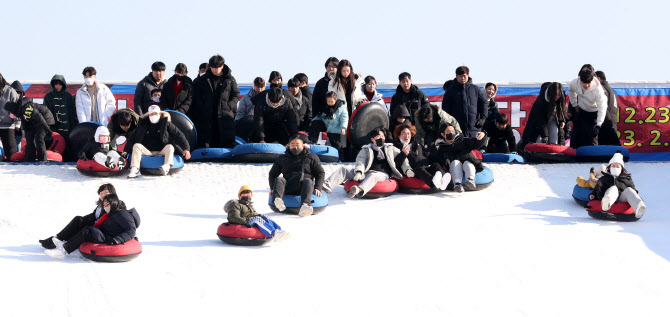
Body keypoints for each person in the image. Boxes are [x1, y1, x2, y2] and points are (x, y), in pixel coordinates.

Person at [321, 128, 411, 198]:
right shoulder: (366, 149)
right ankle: (328, 184)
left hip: (382, 173)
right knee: (344, 169)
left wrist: (407, 170)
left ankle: (358, 189)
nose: (381, 138)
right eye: (378, 137)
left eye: (383, 136)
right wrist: (359, 172)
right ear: (373, 139)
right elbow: (361, 160)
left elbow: (403, 160)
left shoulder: (390, 148)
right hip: (366, 171)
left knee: (373, 176)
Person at [44, 193, 140, 259]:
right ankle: (65, 243)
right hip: (105, 234)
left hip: (110, 238)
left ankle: (63, 251)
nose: (105, 206)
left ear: (114, 203)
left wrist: (118, 239)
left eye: (108, 203)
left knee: (87, 231)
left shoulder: (122, 214)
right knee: (83, 224)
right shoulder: (111, 214)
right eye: (104, 204)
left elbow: (131, 229)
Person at [39, 184, 122, 249]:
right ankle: (58, 238)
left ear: (112, 193)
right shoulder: (100, 205)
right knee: (78, 219)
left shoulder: (115, 204)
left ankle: (58, 240)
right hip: (96, 226)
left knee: (80, 222)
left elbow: (116, 219)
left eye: (106, 193)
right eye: (101, 193)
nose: (103, 195)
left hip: (102, 230)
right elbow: (93, 216)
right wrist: (81, 220)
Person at [123, 105, 191, 178]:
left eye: (156, 114)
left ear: (159, 114)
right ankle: (135, 169)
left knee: (170, 147)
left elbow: (179, 135)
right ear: (149, 115)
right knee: (136, 145)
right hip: (147, 152)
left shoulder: (166, 123)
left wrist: (186, 149)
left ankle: (167, 166)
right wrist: (126, 150)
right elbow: (133, 138)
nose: (154, 116)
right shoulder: (142, 124)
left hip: (162, 151)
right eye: (152, 114)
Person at [268, 134, 325, 217]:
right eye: (292, 144)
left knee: (308, 181)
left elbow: (320, 173)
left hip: (304, 187)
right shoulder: (283, 158)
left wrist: (318, 187)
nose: (295, 147)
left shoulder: (311, 157)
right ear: (289, 146)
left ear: (303, 145)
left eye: (297, 144)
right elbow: (272, 174)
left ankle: (305, 205)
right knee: (279, 179)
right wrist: (273, 189)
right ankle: (277, 200)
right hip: (288, 186)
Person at [191, 54, 239, 148]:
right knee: (207, 139)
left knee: (226, 139)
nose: (214, 70)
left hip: (224, 114)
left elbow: (236, 94)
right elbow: (196, 95)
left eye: (216, 68)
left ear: (222, 66)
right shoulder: (203, 79)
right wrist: (202, 107)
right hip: (207, 114)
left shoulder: (230, 79)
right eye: (212, 67)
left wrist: (229, 106)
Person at [4, 81, 55, 162]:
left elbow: (39, 118)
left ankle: (42, 159)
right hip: (35, 122)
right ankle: (30, 158)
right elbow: (25, 124)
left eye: (9, 113)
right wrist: (27, 133)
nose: (9, 115)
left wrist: (47, 129)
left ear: (12, 110)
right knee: (29, 139)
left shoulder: (27, 108)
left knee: (39, 138)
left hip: (45, 119)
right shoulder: (20, 112)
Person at [428, 123, 486, 192]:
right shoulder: (442, 148)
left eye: (453, 131)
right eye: (448, 132)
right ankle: (457, 183)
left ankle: (470, 179)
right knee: (455, 163)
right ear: (443, 134)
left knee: (467, 163)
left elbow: (477, 143)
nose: (451, 133)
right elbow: (436, 159)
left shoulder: (463, 140)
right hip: (454, 166)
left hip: (468, 161)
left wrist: (483, 136)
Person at [393, 123, 450, 190]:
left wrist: (443, 160)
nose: (406, 136)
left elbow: (429, 156)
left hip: (425, 167)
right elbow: (395, 164)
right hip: (412, 171)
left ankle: (443, 180)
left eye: (408, 134)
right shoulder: (396, 147)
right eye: (403, 133)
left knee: (436, 165)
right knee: (420, 169)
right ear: (399, 135)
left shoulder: (417, 145)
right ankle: (433, 182)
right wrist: (403, 154)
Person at [589, 153, 646, 218]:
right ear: (609, 167)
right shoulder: (603, 179)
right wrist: (592, 195)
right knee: (613, 188)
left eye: (617, 166)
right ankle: (607, 202)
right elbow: (597, 189)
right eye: (613, 166)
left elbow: (634, 191)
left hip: (622, 198)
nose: (615, 168)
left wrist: (636, 197)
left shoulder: (626, 179)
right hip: (608, 196)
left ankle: (639, 207)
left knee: (629, 190)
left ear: (621, 168)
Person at [224, 185, 289, 241]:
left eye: (248, 194)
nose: (246, 195)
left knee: (264, 216)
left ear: (251, 195)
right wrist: (246, 221)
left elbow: (255, 215)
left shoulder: (249, 206)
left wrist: (261, 216)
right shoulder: (236, 205)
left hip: (251, 220)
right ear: (239, 196)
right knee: (257, 219)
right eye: (244, 194)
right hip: (244, 222)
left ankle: (279, 231)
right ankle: (273, 233)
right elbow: (234, 217)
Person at [441, 66, 488, 138]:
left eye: (464, 76)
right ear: (456, 76)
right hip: (457, 128)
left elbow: (484, 103)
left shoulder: (475, 89)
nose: (462, 78)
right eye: (460, 76)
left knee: (474, 149)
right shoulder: (450, 91)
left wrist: (483, 118)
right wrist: (450, 124)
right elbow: (445, 109)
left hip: (474, 128)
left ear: (468, 75)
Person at [520, 82, 567, 149]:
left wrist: (562, 120)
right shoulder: (541, 101)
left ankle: (553, 153)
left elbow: (562, 109)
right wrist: (545, 135)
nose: (557, 97)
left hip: (553, 117)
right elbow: (540, 120)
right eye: (555, 95)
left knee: (554, 135)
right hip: (540, 121)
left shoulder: (561, 97)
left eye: (559, 95)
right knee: (539, 138)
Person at [568, 68, 607, 148]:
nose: (586, 85)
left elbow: (602, 107)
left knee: (592, 135)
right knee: (576, 134)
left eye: (589, 83)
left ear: (592, 80)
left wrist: (599, 124)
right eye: (584, 83)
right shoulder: (574, 83)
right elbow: (571, 91)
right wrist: (575, 104)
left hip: (594, 112)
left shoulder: (598, 90)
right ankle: (574, 152)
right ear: (580, 80)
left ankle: (593, 156)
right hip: (582, 110)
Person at [43, 74, 78, 160]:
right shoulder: (48, 97)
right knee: (56, 148)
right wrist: (51, 128)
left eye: (60, 84)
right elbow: (47, 114)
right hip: (55, 129)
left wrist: (72, 127)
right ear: (53, 85)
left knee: (68, 149)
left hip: (67, 129)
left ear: (63, 85)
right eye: (56, 84)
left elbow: (72, 112)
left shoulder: (68, 96)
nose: (58, 86)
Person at [595, 71, 621, 146]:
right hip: (612, 123)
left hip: (606, 124)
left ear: (598, 79)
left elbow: (602, 107)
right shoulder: (611, 90)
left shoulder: (603, 90)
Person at [235, 77, 265, 142]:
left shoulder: (267, 99)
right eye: (257, 87)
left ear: (264, 87)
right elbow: (240, 113)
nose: (259, 89)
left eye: (261, 87)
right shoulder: (245, 98)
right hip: (247, 124)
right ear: (254, 86)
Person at [0, 73, 20, 159]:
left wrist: (17, 124)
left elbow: (18, 109)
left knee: (11, 152)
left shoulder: (10, 91)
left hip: (8, 126)